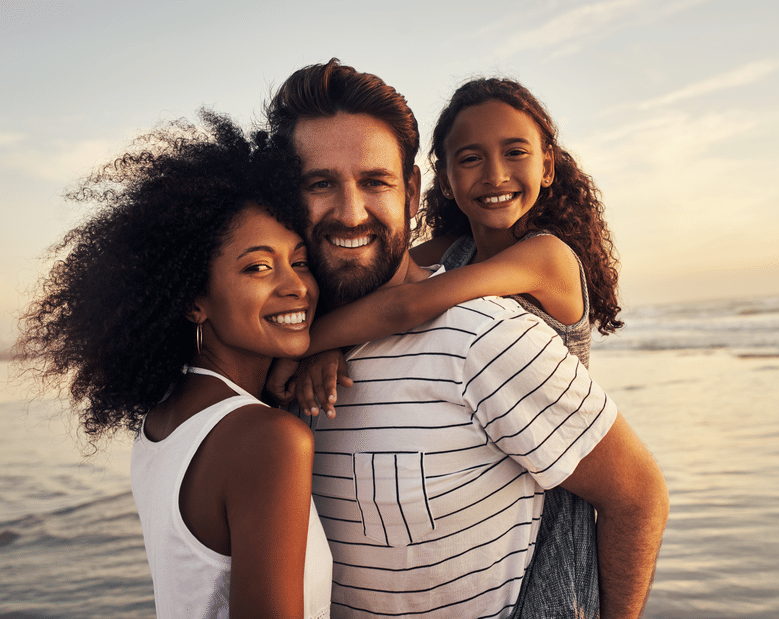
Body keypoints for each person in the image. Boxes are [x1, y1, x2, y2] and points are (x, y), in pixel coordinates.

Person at [265, 58, 668, 619]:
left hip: (559, 475)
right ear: (445, 179)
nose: (494, 175)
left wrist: (305, 342)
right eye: (470, 158)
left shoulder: (532, 272)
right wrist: (326, 338)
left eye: (515, 152)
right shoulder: (450, 254)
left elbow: (407, 302)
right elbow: (391, 279)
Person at [14, 112, 332, 619]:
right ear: (192, 301)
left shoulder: (164, 421)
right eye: (257, 266)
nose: (295, 285)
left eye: (299, 261)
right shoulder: (269, 439)